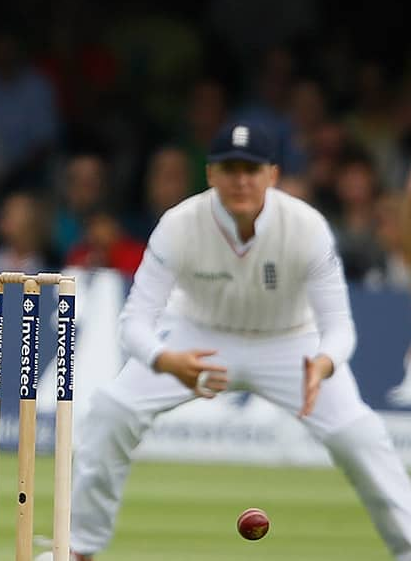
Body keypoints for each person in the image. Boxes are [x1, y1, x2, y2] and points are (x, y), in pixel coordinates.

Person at [64, 124, 411, 561]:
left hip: (291, 343)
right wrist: (165, 360)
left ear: (273, 174)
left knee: (359, 434)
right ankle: (78, 549)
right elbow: (134, 322)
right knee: (113, 410)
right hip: (198, 336)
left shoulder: (306, 228)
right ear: (211, 174)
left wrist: (323, 363)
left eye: (252, 170)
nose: (241, 181)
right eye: (230, 169)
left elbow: (340, 326)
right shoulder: (179, 225)